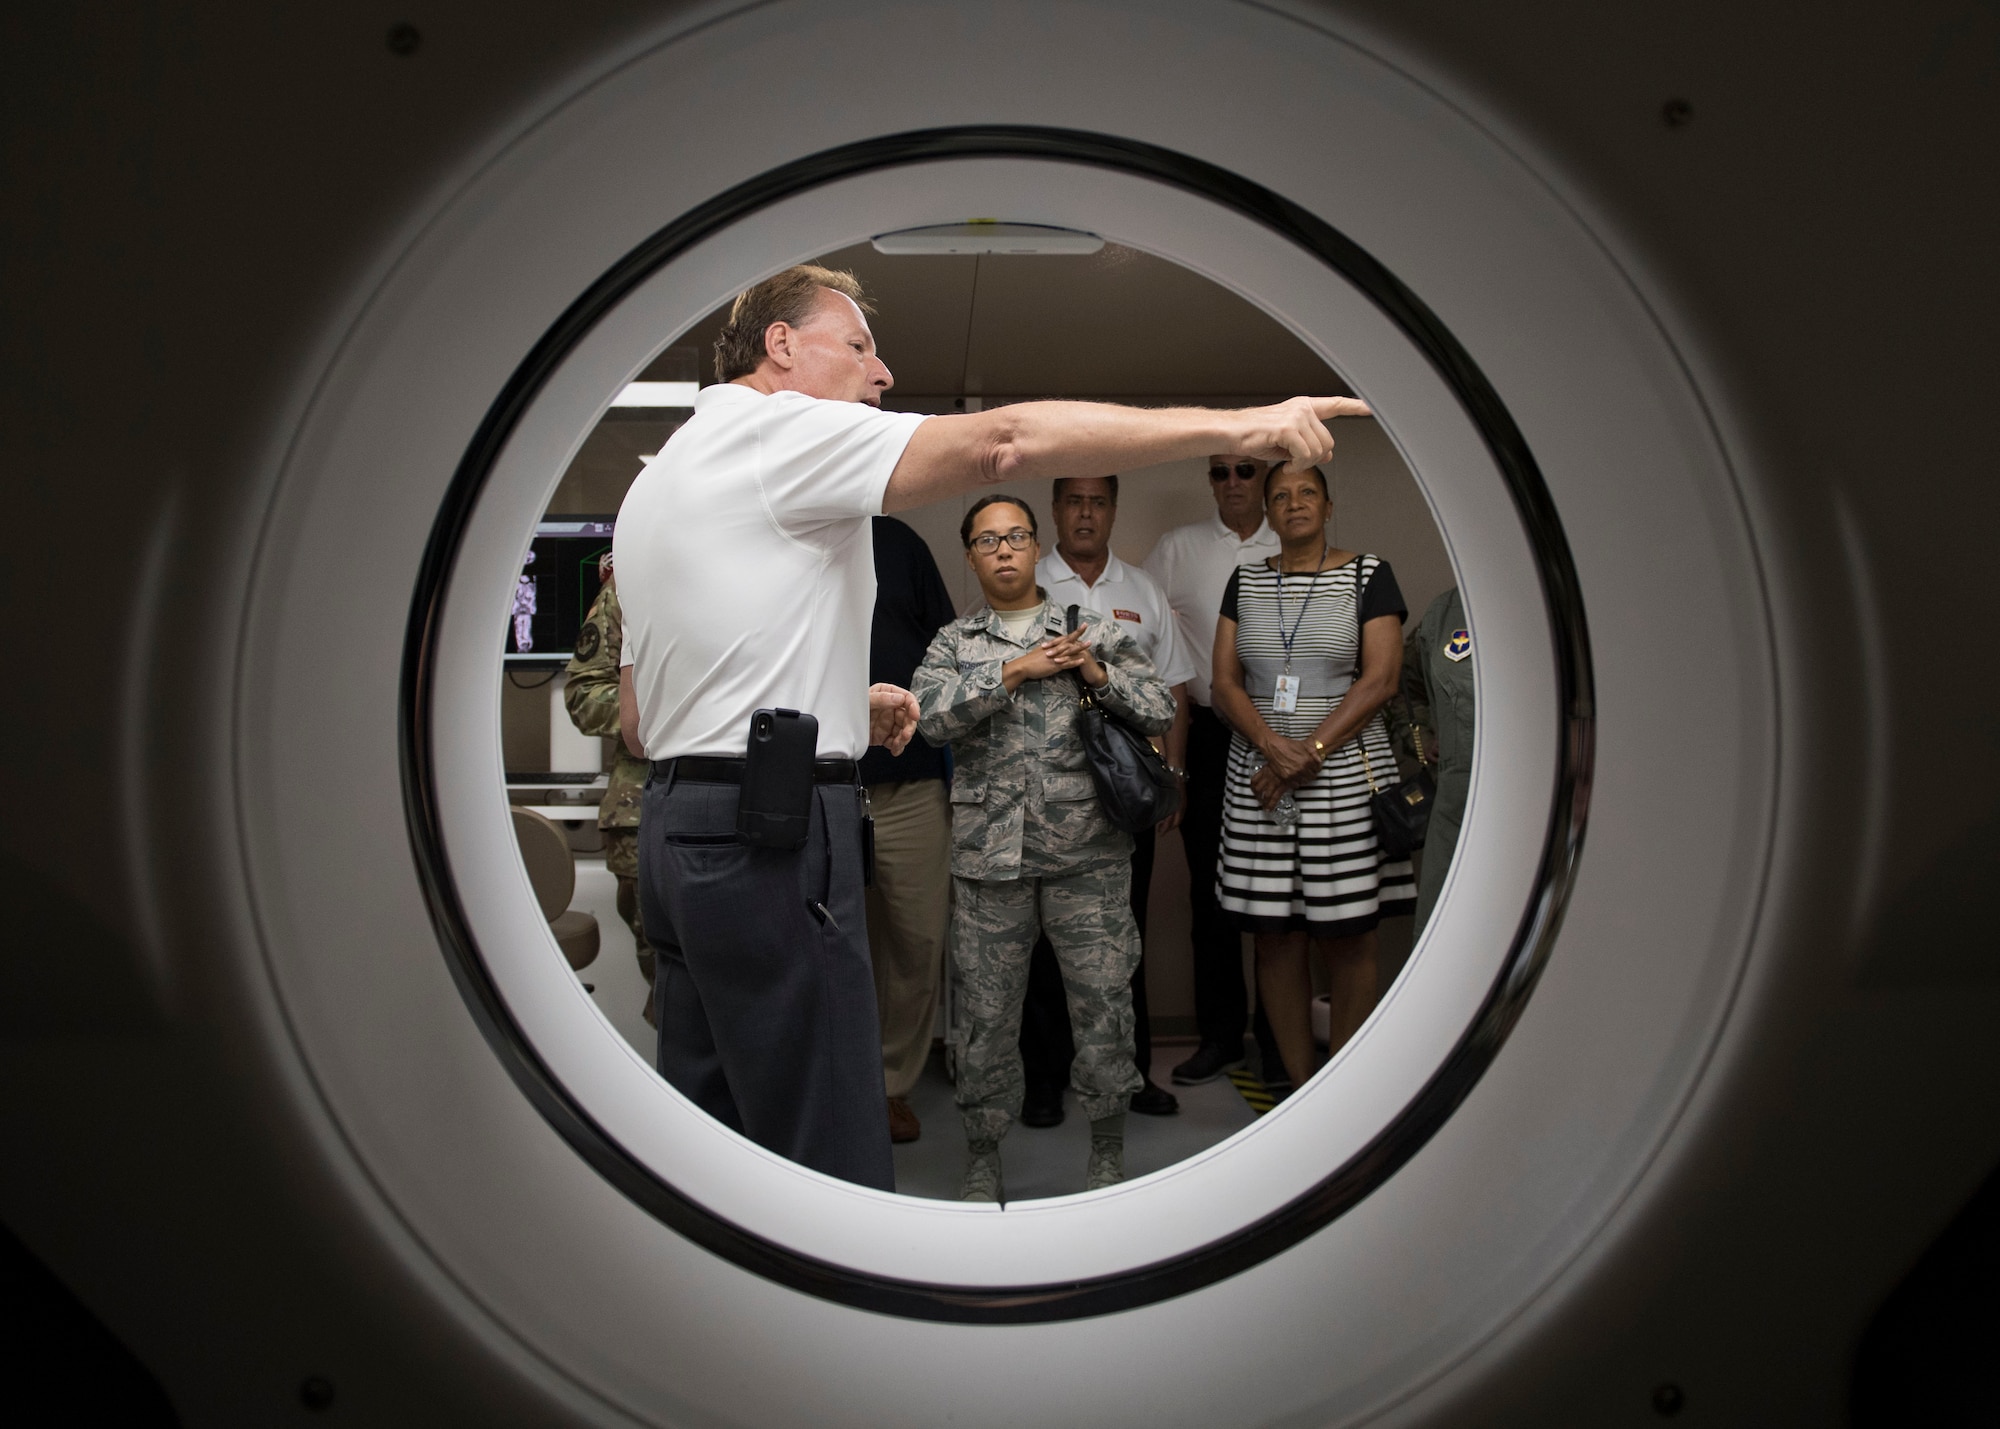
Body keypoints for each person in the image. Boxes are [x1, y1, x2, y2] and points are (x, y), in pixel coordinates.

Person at [615, 262, 1364, 1189]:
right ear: (781, 347)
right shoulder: (780, 428)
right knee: (823, 1144)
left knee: (712, 1140)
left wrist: (850, 704)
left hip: (680, 832)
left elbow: (651, 717)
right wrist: (1241, 426)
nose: (881, 374)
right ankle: (845, 1327)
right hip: (771, 839)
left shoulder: (661, 477)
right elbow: (1006, 441)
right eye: (858, 347)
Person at [912, 496, 1176, 1201]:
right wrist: (1015, 671)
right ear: (970, 554)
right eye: (987, 539)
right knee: (986, 1019)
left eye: (1016, 536)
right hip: (988, 862)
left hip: (1088, 855)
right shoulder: (954, 642)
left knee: (1103, 1007)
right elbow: (929, 720)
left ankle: (1108, 1151)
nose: (1003, 549)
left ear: (1036, 547)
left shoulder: (1092, 630)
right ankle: (981, 1154)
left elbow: (1160, 709)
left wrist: (1095, 673)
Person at [1209, 464, 1414, 1092]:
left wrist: (1310, 752)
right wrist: (1273, 746)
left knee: (1349, 935)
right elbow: (1223, 684)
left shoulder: (1368, 574)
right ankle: (1298, 1086)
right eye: (1281, 496)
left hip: (1347, 774)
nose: (1294, 503)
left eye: (1307, 493)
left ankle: (1341, 1092)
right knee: (1274, 937)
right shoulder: (1243, 580)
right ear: (1267, 513)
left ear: (1329, 505)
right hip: (1258, 775)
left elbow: (1380, 680)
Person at [1020, 474, 1196, 1122]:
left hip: (1125, 795)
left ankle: (1128, 1072)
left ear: (1113, 509)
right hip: (1047, 796)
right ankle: (1043, 1079)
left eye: (1099, 501)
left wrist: (1173, 771)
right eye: (1075, 500)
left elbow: (1175, 687)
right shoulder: (1025, 586)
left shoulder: (1142, 590)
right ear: (1057, 509)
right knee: (1043, 938)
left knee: (1125, 937)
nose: (1086, 512)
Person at [1142, 456, 1283, 1088]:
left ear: (1268, 481)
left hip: (1290, 737)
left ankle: (1284, 1043)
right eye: (1220, 472)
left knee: (1284, 892)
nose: (1232, 483)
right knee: (1213, 892)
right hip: (1208, 737)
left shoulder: (1293, 543)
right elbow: (1134, 625)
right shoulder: (1180, 548)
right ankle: (1222, 1036)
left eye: (1246, 472)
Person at [860, 515, 958, 1145]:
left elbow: (945, 648)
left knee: (919, 941)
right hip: (819, 782)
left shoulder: (899, 543)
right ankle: (849, 1081)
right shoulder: (788, 536)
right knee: (841, 943)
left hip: (911, 778)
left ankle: (891, 1086)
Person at [560, 554, 653, 1022]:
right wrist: (660, 709)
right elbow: (583, 694)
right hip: (645, 812)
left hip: (742, 811)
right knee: (673, 989)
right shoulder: (633, 587)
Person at [1389, 586, 1473, 931]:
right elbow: (1403, 684)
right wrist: (1422, 738)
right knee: (1450, 931)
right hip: (1457, 803)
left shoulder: (1558, 602)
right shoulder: (1448, 610)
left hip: (1543, 802)